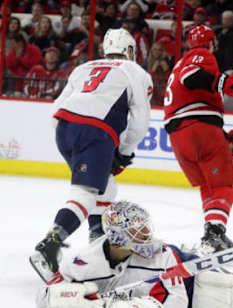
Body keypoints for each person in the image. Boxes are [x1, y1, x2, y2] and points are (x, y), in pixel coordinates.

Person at [29, 28, 153, 283]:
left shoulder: (83, 68)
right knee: (85, 194)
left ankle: (97, 243)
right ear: (130, 51)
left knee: (106, 187)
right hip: (96, 130)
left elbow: (56, 109)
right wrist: (125, 152)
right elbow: (140, 120)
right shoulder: (136, 72)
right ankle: (49, 246)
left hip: (64, 128)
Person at [163, 25, 233, 254]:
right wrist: (224, 82)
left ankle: (213, 230)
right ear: (210, 42)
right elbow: (192, 78)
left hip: (179, 136)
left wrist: (222, 137)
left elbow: (189, 95)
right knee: (223, 188)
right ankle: (214, 234)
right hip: (198, 127)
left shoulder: (179, 63)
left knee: (209, 187)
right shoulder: (201, 55)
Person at [35, 200, 190, 308]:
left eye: (145, 228)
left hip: (185, 268)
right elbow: (45, 297)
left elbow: (178, 299)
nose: (146, 235)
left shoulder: (163, 255)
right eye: (137, 230)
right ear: (117, 237)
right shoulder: (83, 263)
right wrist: (71, 296)